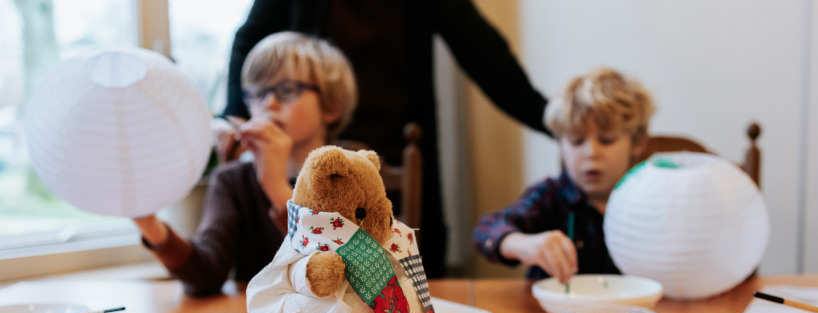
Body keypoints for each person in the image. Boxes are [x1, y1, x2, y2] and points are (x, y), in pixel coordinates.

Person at [217, 0, 551, 278]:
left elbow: (485, 54)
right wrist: (234, 118)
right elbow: (249, 40)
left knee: (402, 281)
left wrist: (552, 121)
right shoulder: (239, 181)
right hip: (320, 148)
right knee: (321, 273)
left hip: (395, 155)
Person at [134, 32, 358, 296]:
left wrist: (276, 187)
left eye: (287, 90)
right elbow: (206, 276)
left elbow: (349, 272)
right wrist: (149, 223)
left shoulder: (351, 171)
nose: (268, 104)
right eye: (257, 93)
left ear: (331, 105)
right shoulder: (233, 180)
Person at [472, 67, 655, 283]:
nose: (591, 153)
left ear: (638, 142)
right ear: (560, 142)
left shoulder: (651, 199)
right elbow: (487, 229)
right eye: (576, 141)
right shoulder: (551, 195)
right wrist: (524, 244)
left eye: (606, 140)